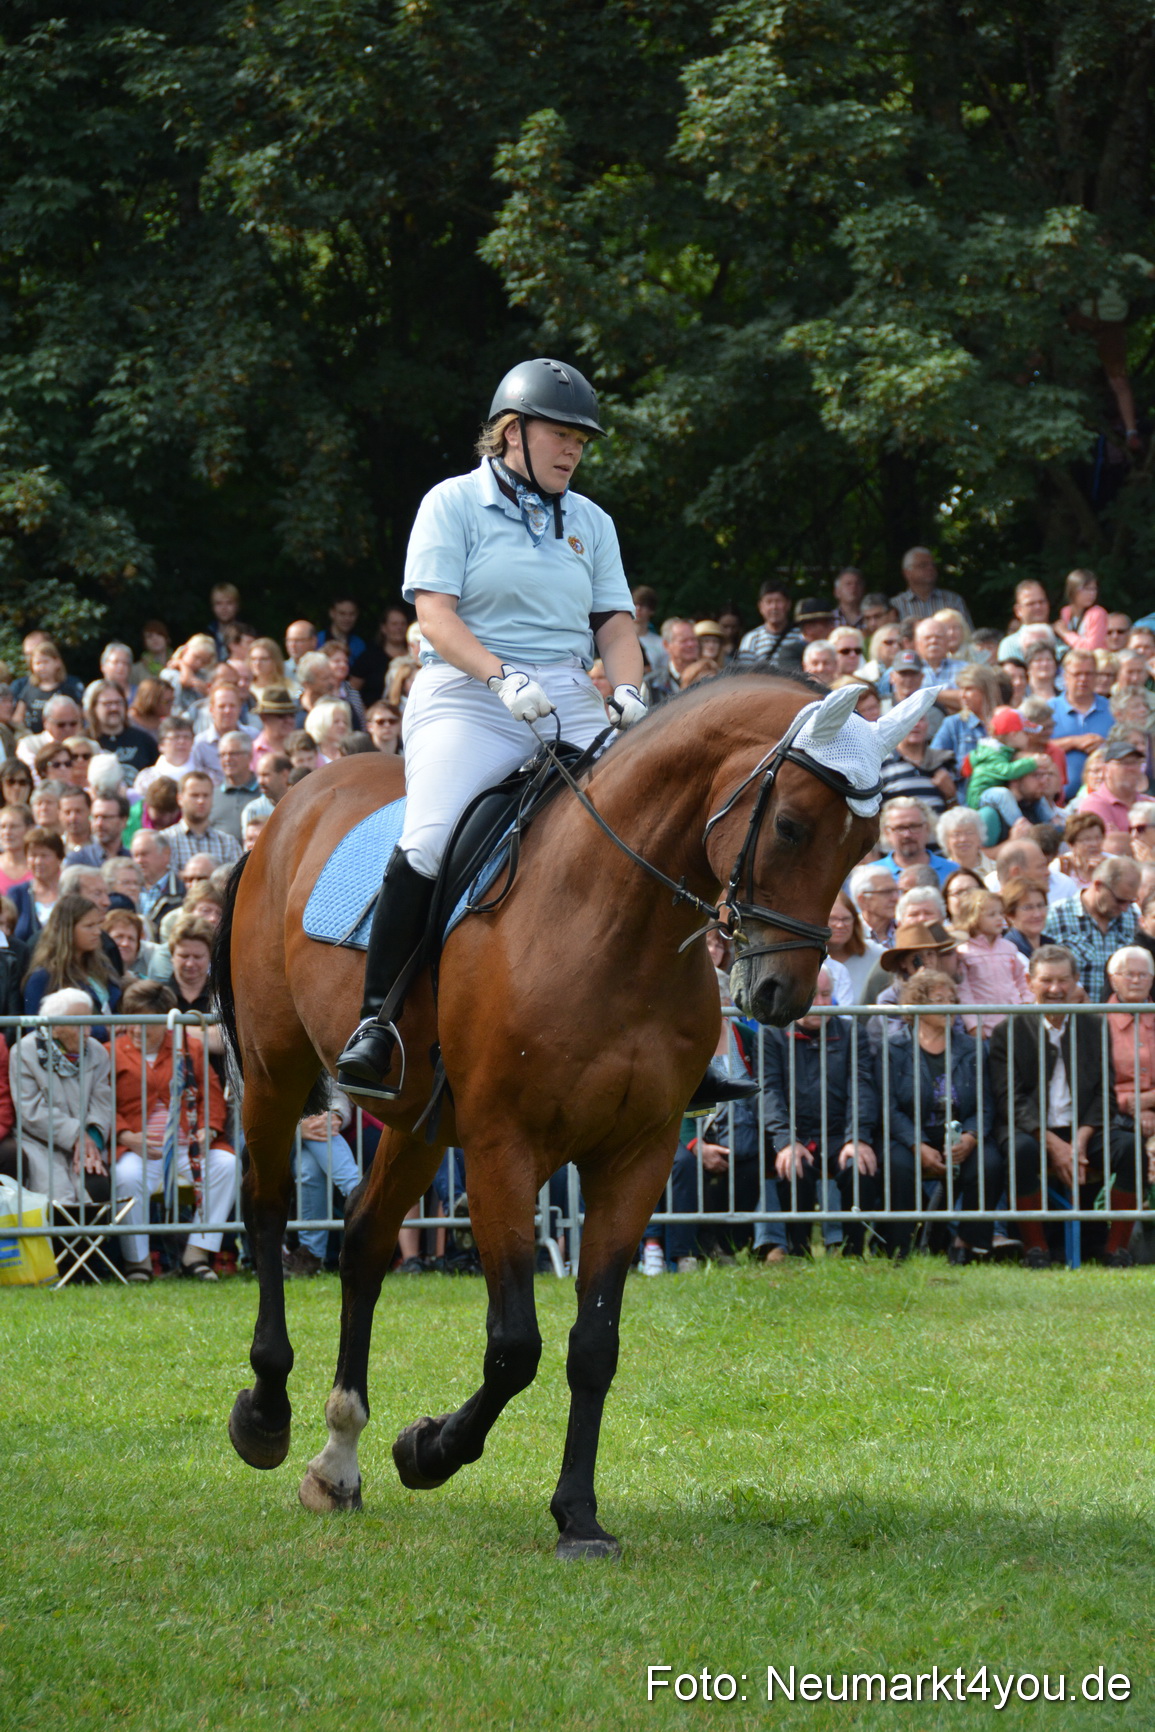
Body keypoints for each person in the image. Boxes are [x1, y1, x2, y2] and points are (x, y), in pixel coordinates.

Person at [336, 357, 644, 1096]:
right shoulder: (452, 503)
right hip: (466, 691)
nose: (573, 449)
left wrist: (630, 690)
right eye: (560, 434)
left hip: (568, 691)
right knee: (432, 837)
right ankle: (377, 1020)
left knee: (644, 833)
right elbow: (434, 616)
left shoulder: (591, 521)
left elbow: (615, 621)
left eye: (581, 439)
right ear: (511, 432)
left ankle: (685, 1033)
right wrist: (500, 674)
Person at [990, 945, 1138, 1268]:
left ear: (1077, 981)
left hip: (1084, 1128)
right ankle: (1036, 1249)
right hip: (1030, 1130)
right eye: (1046, 981)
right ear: (1029, 982)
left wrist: (1080, 1141)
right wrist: (1054, 1143)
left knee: (1130, 1148)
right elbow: (1009, 1099)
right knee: (1020, 1151)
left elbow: (1105, 1094)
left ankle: (1115, 1250)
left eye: (1063, 981)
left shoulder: (1095, 1026)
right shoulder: (1008, 1031)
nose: (1055, 989)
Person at [846, 969, 997, 1261]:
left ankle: (968, 1245)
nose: (949, 1006)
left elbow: (985, 1103)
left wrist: (971, 1135)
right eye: (939, 999)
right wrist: (917, 1144)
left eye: (952, 999)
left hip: (959, 1130)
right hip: (907, 1134)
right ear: (916, 1005)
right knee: (898, 1165)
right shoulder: (894, 1049)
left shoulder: (972, 1048)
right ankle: (898, 1246)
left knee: (988, 1163)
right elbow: (888, 1108)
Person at [110, 977, 238, 1281]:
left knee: (227, 1165)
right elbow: (101, 1104)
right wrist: (126, 1136)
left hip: (186, 1144)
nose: (138, 1030)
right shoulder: (110, 1051)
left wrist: (208, 1128)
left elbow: (211, 1091)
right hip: (137, 1147)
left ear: (165, 1023)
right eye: (132, 1022)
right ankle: (138, 1262)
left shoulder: (188, 1046)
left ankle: (197, 1254)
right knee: (125, 1176)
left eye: (148, 1024)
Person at [753, 968, 866, 1259]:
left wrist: (857, 1138)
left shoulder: (853, 1033)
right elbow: (769, 1092)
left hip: (841, 1134)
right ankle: (797, 1252)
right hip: (794, 1133)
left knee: (861, 1165)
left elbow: (862, 1090)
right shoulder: (772, 1036)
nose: (819, 1003)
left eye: (825, 995)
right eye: (810, 995)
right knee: (792, 1164)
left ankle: (852, 1251)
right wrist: (786, 1141)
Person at [8, 987, 113, 1212]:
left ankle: (91, 1248)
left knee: (93, 1194)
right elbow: (31, 1111)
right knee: (58, 1198)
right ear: (54, 1028)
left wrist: (91, 1139)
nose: (88, 1031)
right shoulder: (24, 1052)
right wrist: (76, 1135)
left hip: (88, 1143)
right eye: (79, 1024)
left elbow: (102, 1102)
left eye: (89, 1022)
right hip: (39, 1142)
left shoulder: (97, 1052)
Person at [1043, 856, 1140, 1002]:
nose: (1125, 908)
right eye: (1120, 900)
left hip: (1120, 1020)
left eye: (1130, 901)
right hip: (1075, 1018)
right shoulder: (1057, 916)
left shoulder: (1132, 918)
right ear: (1098, 885)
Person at [22, 894, 121, 1021]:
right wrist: (104, 1030)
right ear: (67, 930)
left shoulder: (103, 967)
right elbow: (36, 1028)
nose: (97, 932)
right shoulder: (43, 977)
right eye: (89, 926)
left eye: (98, 925)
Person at [1105, 947, 1155, 1191]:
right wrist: (1133, 1105)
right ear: (1113, 979)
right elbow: (1094, 1081)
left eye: (1143, 975)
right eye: (1128, 974)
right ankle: (1129, 1225)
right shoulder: (1097, 1021)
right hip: (1114, 1113)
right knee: (1131, 1150)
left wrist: (1146, 1102)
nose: (1136, 980)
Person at [953, 888, 1032, 1031]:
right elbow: (964, 991)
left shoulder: (1009, 948)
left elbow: (1023, 979)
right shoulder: (964, 952)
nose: (999, 918)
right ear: (973, 918)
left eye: (1000, 913)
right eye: (991, 914)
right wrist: (973, 1024)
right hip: (985, 1026)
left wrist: (1027, 1003)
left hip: (1014, 1022)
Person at [1049, 648, 1113, 799]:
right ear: (1064, 676)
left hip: (1104, 799)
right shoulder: (1048, 710)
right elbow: (1034, 749)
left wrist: (1106, 746)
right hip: (1057, 801)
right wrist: (1072, 742)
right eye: (1077, 674)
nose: (1083, 679)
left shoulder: (1113, 709)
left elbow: (1126, 749)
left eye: (1089, 673)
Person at [164, 771, 242, 874]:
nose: (201, 801)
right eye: (194, 795)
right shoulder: (166, 841)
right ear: (180, 799)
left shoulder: (228, 843)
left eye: (206, 795)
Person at [878, 712, 956, 814]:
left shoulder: (944, 762)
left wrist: (951, 796)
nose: (916, 724)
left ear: (928, 725)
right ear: (895, 727)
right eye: (909, 720)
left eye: (921, 719)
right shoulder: (881, 765)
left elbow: (956, 814)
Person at [874, 797, 954, 886]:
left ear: (927, 828)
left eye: (914, 826)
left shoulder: (953, 873)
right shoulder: (871, 874)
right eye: (900, 828)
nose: (907, 834)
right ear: (886, 832)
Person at [86, 681, 158, 776]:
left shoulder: (144, 740)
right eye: (107, 703)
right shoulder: (85, 741)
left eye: (118, 702)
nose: (114, 708)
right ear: (94, 707)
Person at [1078, 740, 1148, 835]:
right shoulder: (1093, 804)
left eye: (1136, 763)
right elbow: (1111, 846)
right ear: (1106, 769)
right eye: (1124, 763)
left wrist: (1120, 835)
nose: (1131, 768)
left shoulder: (1150, 803)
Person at [889, 547, 972, 626]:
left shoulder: (953, 601)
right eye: (923, 565)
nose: (930, 568)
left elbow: (968, 635)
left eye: (933, 565)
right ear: (907, 573)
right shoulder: (896, 605)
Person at [8, 827, 64, 943]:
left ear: (59, 858)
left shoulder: (70, 892)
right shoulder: (16, 894)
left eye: (44, 856)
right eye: (33, 855)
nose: (38, 861)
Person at [826, 892, 882, 1002]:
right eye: (832, 919)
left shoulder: (876, 955)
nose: (840, 925)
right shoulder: (807, 958)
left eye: (846, 919)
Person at [736, 580, 802, 668]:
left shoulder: (800, 635)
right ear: (760, 607)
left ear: (788, 604)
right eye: (769, 602)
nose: (774, 607)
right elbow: (745, 674)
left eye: (779, 601)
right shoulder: (751, 639)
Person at [208, 733, 259, 842]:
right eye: (222, 755)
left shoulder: (264, 792)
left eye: (233, 754)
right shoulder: (211, 796)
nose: (227, 759)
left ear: (249, 756)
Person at [63, 793, 130, 868]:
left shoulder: (132, 859)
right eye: (95, 817)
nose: (99, 824)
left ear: (123, 821)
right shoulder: (78, 860)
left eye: (106, 817)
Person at [1056, 568, 1109, 654]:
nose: (1092, 593)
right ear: (1072, 590)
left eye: (1094, 589)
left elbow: (1091, 648)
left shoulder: (1097, 613)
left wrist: (1065, 633)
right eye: (1086, 589)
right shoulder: (1066, 612)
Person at [848, 864, 900, 947]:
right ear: (863, 900)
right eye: (886, 892)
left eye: (896, 891)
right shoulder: (848, 933)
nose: (896, 898)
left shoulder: (906, 929)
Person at [1002, 877, 1051, 960]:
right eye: (1028, 908)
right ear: (1010, 914)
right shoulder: (1007, 951)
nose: (1037, 914)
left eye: (1040, 906)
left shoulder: (1050, 945)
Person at [0, 805, 32, 894]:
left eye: (13, 827)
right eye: (2, 827)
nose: (7, 832)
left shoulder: (39, 865)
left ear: (29, 829)